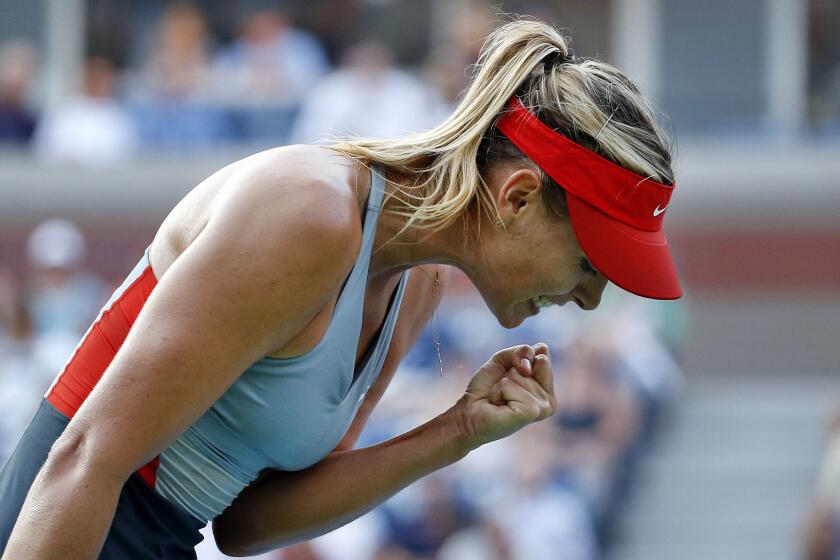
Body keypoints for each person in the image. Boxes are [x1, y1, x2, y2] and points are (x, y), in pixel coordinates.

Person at [0, 18, 680, 559]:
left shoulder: (419, 287)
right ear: (520, 197)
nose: (590, 299)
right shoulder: (311, 215)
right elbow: (85, 456)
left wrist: (459, 430)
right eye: (591, 265)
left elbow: (245, 525)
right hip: (63, 528)